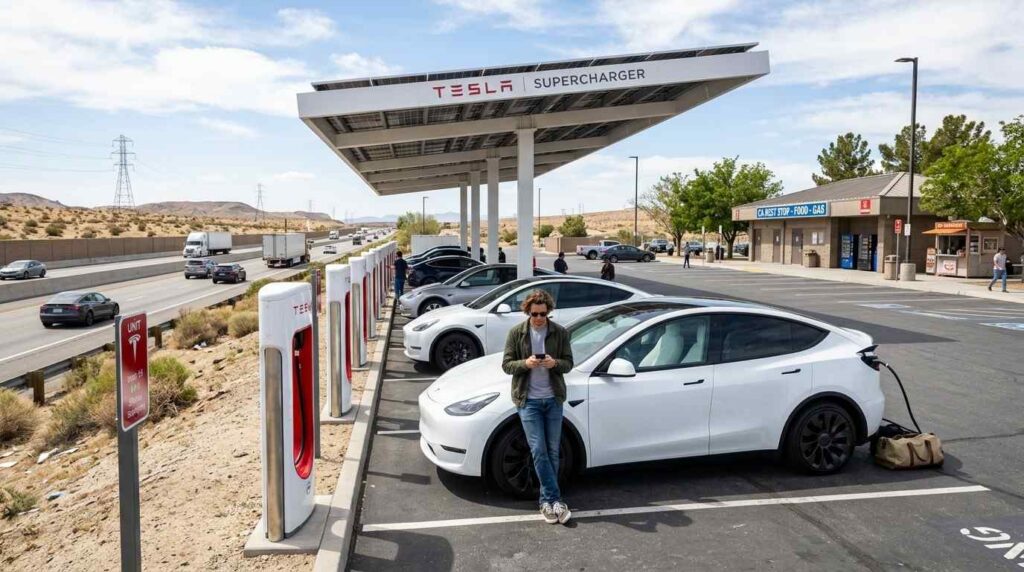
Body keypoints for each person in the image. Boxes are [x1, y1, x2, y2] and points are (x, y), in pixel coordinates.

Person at [501, 289, 574, 525]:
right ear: (528, 312)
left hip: (553, 399)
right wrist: (526, 363)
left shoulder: (559, 332)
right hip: (528, 400)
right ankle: (555, 499)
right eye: (535, 314)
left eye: (543, 314)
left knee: (552, 451)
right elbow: (507, 365)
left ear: (548, 312)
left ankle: (547, 501)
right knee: (539, 450)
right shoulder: (517, 333)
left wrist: (555, 363)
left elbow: (569, 363)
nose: (539, 318)